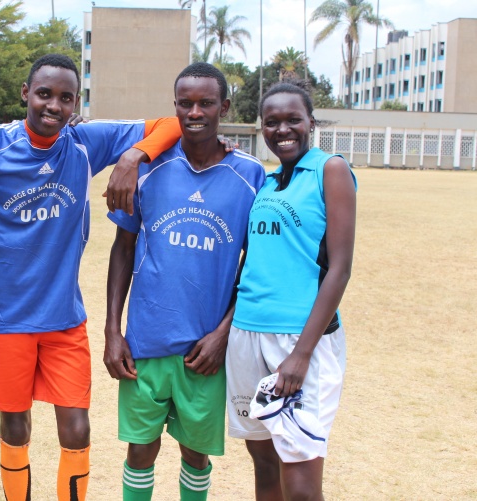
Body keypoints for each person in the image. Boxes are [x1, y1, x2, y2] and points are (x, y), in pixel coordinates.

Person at [0, 53, 185, 501]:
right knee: (15, 424)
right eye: (44, 94)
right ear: (25, 94)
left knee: (76, 427)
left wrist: (133, 157)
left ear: (76, 104)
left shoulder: (84, 143)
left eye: (65, 98)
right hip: (6, 318)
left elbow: (169, 125)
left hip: (64, 318)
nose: (53, 105)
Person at [104, 62, 265, 501]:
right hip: (144, 343)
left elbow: (257, 267)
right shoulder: (149, 169)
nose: (195, 112)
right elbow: (123, 249)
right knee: (140, 451)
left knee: (195, 454)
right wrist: (112, 331)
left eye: (206, 103)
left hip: (204, 350)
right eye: (185, 103)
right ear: (174, 106)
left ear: (224, 107)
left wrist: (223, 334)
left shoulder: (250, 176)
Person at [226, 80, 357, 501]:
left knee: (298, 476)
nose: (283, 129)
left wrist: (301, 354)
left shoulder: (329, 169)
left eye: (293, 119)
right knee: (264, 463)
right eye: (272, 122)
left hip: (299, 340)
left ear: (311, 122)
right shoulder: (265, 182)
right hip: (247, 334)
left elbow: (339, 269)